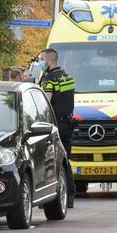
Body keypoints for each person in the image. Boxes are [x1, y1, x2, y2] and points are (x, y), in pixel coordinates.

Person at [38, 48, 77, 207]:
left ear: (48, 60)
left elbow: (45, 104)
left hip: (55, 124)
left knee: (52, 161)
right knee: (65, 160)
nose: (39, 62)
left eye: (41, 59)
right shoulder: (67, 76)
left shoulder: (50, 80)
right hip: (68, 123)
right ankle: (70, 195)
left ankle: (52, 197)